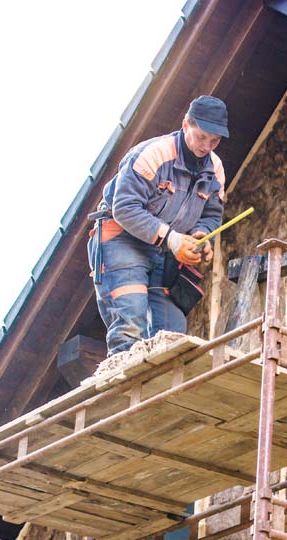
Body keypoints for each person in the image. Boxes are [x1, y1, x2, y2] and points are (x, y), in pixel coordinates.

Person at [88, 95, 228, 355]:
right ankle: (123, 391)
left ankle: (159, 392)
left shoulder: (215, 169)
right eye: (201, 137)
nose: (206, 146)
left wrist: (202, 236)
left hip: (165, 249)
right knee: (130, 322)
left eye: (215, 141)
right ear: (186, 125)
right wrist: (173, 239)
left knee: (172, 336)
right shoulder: (153, 154)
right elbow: (125, 208)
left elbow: (211, 214)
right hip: (122, 237)